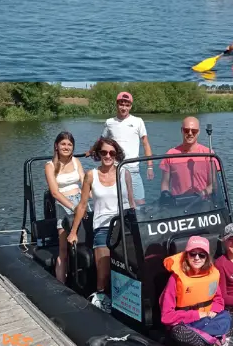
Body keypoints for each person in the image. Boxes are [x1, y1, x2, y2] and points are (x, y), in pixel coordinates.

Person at [67, 138, 134, 313]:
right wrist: (73, 231)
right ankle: (101, 296)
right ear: (98, 154)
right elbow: (82, 205)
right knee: (103, 269)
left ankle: (133, 300)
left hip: (123, 224)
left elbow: (131, 202)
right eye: (104, 152)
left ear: (116, 154)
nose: (108, 156)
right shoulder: (91, 175)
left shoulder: (123, 172)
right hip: (104, 225)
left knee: (134, 262)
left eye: (112, 153)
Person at [160, 236, 233, 346]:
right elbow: (166, 317)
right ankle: (222, 342)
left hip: (209, 319)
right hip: (188, 323)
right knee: (178, 332)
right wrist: (198, 315)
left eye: (202, 255)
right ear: (186, 255)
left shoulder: (212, 274)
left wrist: (212, 312)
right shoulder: (175, 279)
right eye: (193, 254)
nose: (197, 258)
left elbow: (218, 300)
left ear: (207, 257)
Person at [92, 91, 153, 205]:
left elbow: (145, 143)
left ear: (130, 106)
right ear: (117, 104)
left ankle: (138, 222)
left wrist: (150, 166)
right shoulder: (109, 122)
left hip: (133, 168)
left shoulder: (138, 121)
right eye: (121, 104)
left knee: (140, 201)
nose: (124, 107)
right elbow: (101, 140)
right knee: (117, 201)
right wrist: (91, 150)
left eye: (127, 105)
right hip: (114, 169)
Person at [44, 131, 88, 283]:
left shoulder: (76, 162)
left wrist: (86, 201)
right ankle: (61, 283)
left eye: (69, 144)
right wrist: (73, 207)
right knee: (64, 249)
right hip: (63, 204)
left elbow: (85, 183)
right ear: (56, 146)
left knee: (86, 240)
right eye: (63, 143)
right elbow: (55, 193)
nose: (66, 147)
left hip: (80, 200)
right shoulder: (50, 166)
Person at [159, 117, 221, 198]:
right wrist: (165, 195)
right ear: (181, 130)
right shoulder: (170, 154)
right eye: (186, 130)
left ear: (198, 132)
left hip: (202, 202)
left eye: (194, 131)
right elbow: (165, 183)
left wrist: (201, 194)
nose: (190, 133)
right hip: (178, 203)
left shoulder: (208, 154)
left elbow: (214, 184)